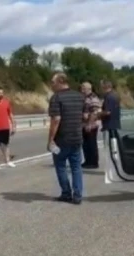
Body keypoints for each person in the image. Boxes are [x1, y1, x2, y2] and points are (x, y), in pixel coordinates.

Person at [47, 72, 85, 204]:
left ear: (60, 81)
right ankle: (78, 195)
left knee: (61, 166)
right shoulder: (80, 96)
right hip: (77, 138)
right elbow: (84, 116)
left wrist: (50, 139)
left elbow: (56, 119)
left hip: (62, 139)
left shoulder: (56, 98)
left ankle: (66, 193)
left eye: (53, 82)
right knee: (76, 167)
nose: (51, 85)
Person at [80, 81, 102, 168]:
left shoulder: (93, 98)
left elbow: (94, 112)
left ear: (89, 89)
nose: (82, 90)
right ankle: (88, 161)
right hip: (84, 124)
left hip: (91, 125)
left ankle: (93, 162)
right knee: (85, 144)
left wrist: (89, 124)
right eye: (81, 88)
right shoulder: (85, 98)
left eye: (83, 88)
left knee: (91, 144)